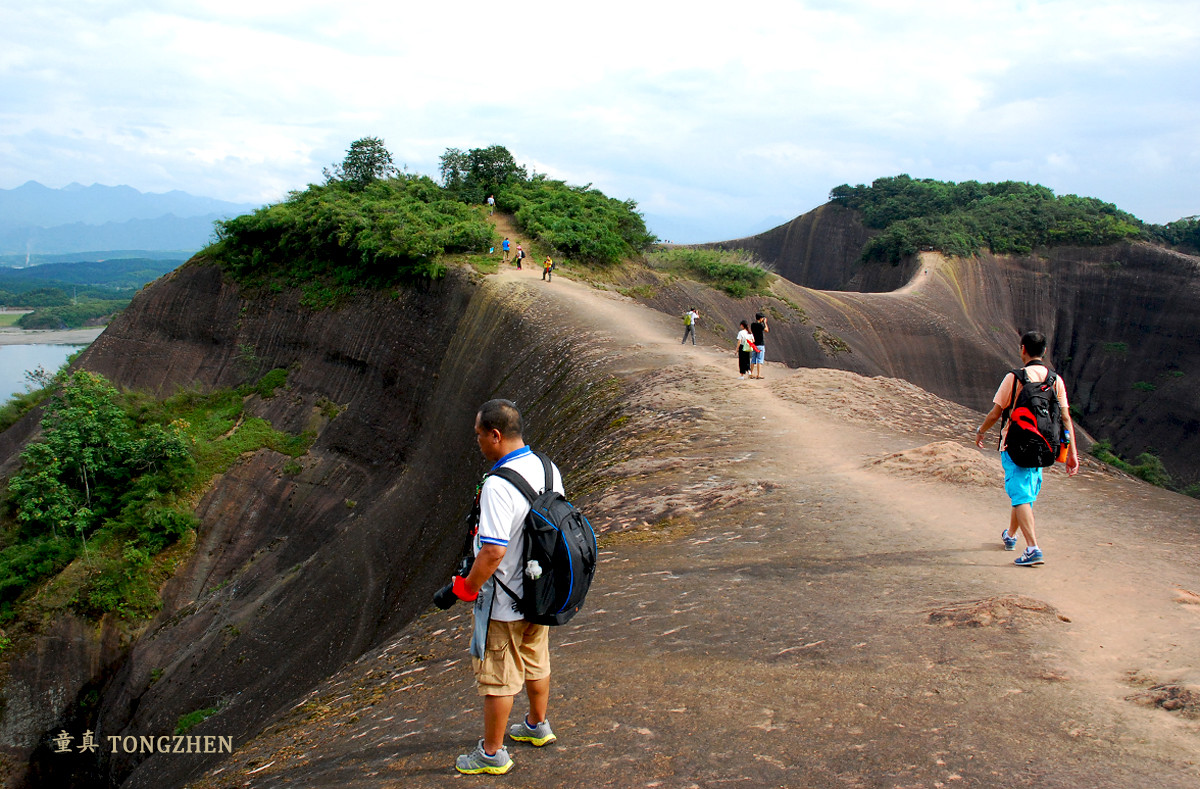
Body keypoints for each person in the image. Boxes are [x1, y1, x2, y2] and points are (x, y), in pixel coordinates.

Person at [449, 399, 563, 775]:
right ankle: (536, 725)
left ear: (496, 436)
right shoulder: (547, 467)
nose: (478, 442)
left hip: (505, 600)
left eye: (479, 436)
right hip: (539, 590)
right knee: (536, 657)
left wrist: (466, 587)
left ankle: (492, 753)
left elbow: (493, 551)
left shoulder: (498, 485)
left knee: (497, 676)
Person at [975, 331, 1080, 567]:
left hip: (1015, 445)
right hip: (1044, 446)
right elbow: (1065, 418)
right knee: (1023, 493)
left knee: (1021, 495)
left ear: (1023, 349)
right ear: (1044, 352)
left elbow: (996, 413)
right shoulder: (1055, 380)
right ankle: (1010, 536)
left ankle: (1032, 548)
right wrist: (1072, 453)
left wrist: (981, 431)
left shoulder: (1015, 378)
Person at [749, 312, 769, 378]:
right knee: (759, 360)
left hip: (754, 344)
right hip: (760, 344)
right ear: (760, 318)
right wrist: (765, 323)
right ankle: (759, 374)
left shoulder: (752, 325)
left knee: (753, 359)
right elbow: (766, 330)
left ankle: (750, 374)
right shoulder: (760, 325)